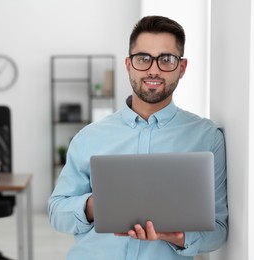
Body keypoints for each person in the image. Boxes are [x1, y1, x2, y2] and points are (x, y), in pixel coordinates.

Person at [48, 15, 228, 260]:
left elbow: (219, 230)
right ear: (128, 64)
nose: (153, 70)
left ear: (182, 68)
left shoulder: (207, 138)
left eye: (166, 59)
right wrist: (95, 205)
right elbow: (57, 211)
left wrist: (177, 236)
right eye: (143, 59)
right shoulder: (89, 137)